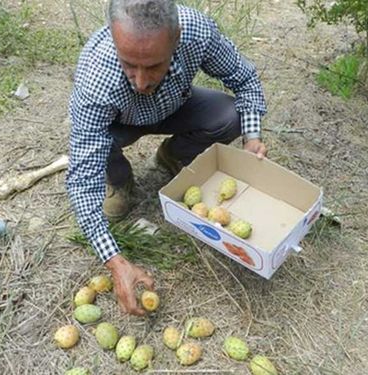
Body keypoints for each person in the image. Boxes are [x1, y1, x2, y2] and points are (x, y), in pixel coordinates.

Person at [66, 0, 268, 316]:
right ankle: (119, 180)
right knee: (98, 150)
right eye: (129, 64)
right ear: (114, 39)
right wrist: (115, 261)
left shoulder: (197, 32)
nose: (142, 81)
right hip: (120, 124)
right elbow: (82, 180)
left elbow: (244, 79)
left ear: (176, 39)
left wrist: (252, 138)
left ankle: (174, 156)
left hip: (176, 107)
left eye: (155, 65)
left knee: (231, 117)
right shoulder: (97, 76)